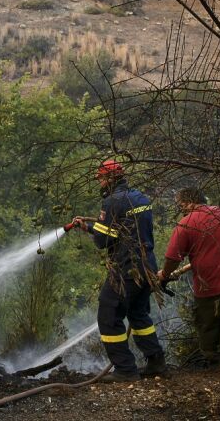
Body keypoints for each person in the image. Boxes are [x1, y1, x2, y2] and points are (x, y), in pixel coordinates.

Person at [71, 159, 166, 381]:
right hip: (147, 266)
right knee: (138, 314)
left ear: (110, 179)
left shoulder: (112, 202)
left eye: (102, 179)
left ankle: (125, 370)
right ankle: (156, 361)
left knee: (108, 316)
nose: (100, 183)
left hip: (125, 270)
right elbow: (125, 232)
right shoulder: (140, 197)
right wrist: (91, 227)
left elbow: (104, 241)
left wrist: (94, 231)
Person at [158, 186, 220, 374]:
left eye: (181, 205)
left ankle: (213, 360)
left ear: (189, 203)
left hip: (209, 282)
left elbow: (172, 258)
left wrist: (164, 275)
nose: (181, 209)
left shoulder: (185, 224)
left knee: (207, 321)